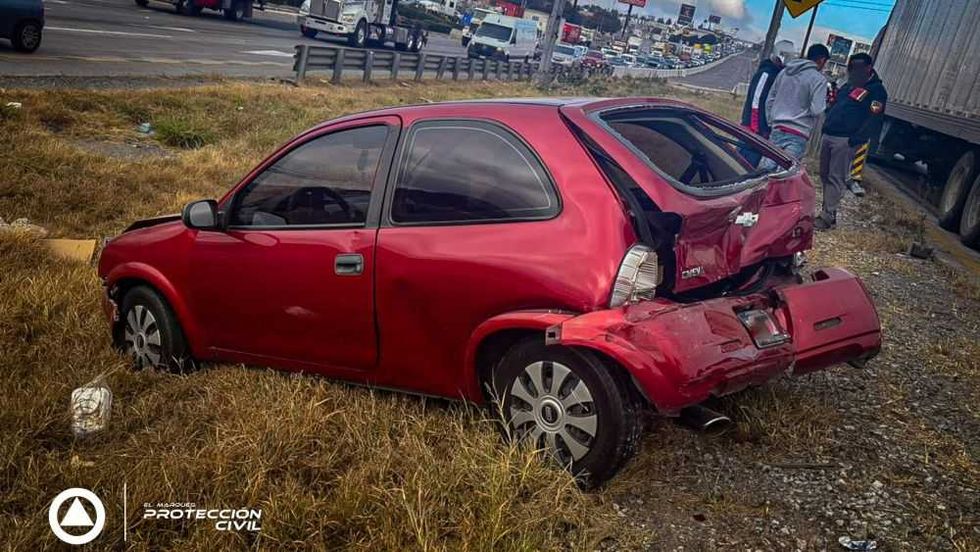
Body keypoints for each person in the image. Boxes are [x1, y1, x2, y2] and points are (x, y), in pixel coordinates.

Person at [816, 52, 888, 230]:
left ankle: (826, 216)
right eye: (851, 67)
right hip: (830, 134)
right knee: (825, 174)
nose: (852, 71)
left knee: (835, 177)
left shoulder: (876, 91)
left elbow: (874, 118)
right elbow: (836, 106)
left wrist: (857, 139)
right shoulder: (848, 86)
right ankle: (828, 211)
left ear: (868, 68)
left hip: (845, 139)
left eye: (856, 67)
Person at [759, 44, 831, 169]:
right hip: (798, 133)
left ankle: (755, 188)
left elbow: (770, 99)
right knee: (783, 175)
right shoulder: (819, 80)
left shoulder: (784, 72)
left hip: (777, 128)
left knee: (765, 170)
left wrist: (771, 121)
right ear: (822, 60)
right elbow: (817, 110)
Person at [740, 54, 784, 166]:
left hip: (757, 127)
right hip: (753, 128)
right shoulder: (766, 73)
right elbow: (756, 100)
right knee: (744, 162)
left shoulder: (772, 74)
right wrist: (759, 128)